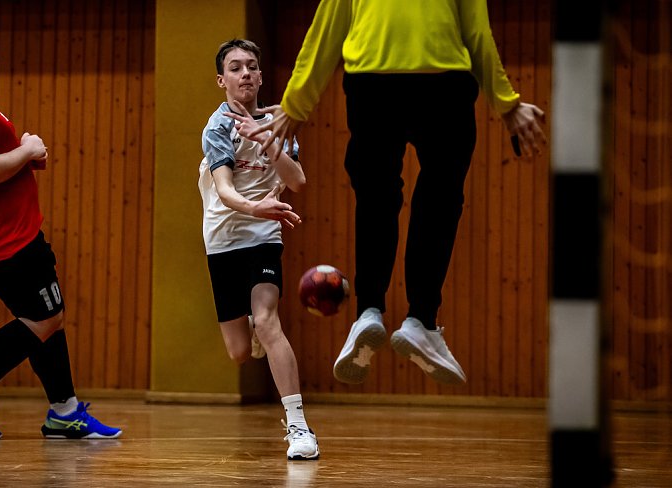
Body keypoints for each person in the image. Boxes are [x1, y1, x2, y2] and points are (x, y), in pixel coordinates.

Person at [247, 1, 546, 386]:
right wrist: (506, 104)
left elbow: (325, 31)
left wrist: (296, 104)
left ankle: (368, 311)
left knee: (376, 198)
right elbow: (477, 34)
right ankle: (421, 319)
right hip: (445, 83)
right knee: (440, 199)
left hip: (372, 83)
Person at [0, 18, 121, 440]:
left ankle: (64, 411)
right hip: (0, 239)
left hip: (14, 232)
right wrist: (27, 149)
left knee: (46, 318)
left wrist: (25, 157)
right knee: (45, 318)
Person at [198, 39, 318, 460]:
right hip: (223, 236)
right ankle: (250, 326)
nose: (245, 73)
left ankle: (299, 427)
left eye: (251, 66)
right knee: (239, 352)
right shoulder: (217, 128)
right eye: (235, 67)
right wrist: (255, 206)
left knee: (268, 322)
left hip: (263, 235)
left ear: (261, 75)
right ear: (222, 80)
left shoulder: (277, 122)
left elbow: (297, 180)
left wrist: (267, 139)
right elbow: (225, 190)